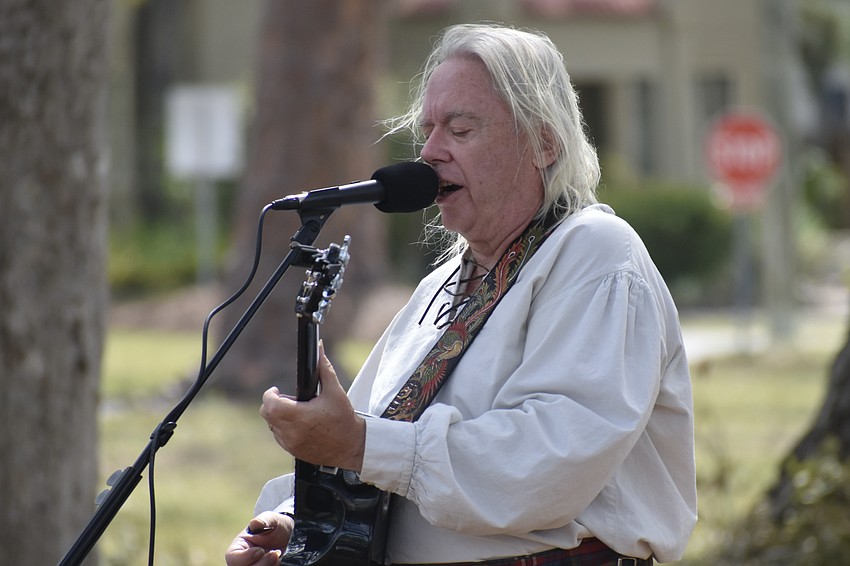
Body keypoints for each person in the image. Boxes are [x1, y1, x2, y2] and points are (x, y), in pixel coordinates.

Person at [226, 23, 697, 566]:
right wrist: (297, 524)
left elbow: (543, 467)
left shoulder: (596, 254)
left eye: (460, 129)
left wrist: (356, 443)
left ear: (544, 143)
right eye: (426, 129)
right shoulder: (445, 282)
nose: (428, 152)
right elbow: (373, 455)